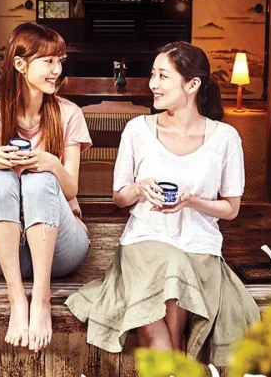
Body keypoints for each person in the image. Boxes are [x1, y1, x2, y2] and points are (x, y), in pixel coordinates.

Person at [65, 41, 259, 366]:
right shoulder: (137, 130)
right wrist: (139, 188)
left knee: (175, 268)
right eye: (153, 74)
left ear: (192, 85)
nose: (153, 83)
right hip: (144, 243)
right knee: (169, 265)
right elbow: (119, 198)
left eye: (163, 76)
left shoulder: (225, 138)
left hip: (198, 248)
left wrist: (192, 202)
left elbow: (231, 208)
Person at [0, 23, 92, 352]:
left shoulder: (69, 114)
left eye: (60, 61)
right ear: (20, 65)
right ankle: (16, 297)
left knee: (40, 177)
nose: (57, 70)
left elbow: (71, 189)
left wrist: (51, 163)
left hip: (60, 250)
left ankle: (40, 298)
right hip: (4, 252)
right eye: (48, 61)